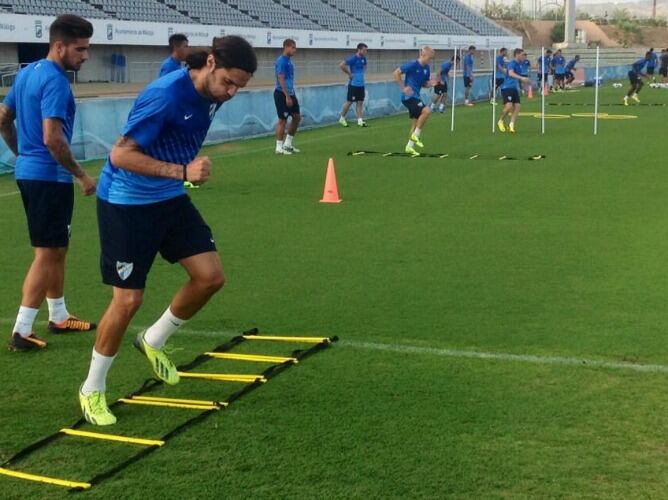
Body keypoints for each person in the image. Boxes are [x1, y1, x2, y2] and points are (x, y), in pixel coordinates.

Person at [78, 36, 257, 426]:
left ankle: (153, 340)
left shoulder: (212, 93)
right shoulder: (165, 96)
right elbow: (120, 154)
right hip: (126, 202)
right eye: (228, 82)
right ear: (210, 62)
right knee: (127, 301)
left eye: (239, 88)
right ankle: (92, 388)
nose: (231, 93)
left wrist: (179, 175)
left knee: (210, 277)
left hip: (168, 198)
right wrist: (182, 171)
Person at [0, 15, 97, 352]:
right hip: (48, 177)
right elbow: (52, 139)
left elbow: (2, 118)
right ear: (59, 46)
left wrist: (21, 152)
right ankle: (21, 329)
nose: (85, 56)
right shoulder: (55, 80)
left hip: (31, 172)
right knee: (46, 253)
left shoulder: (26, 73)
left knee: (57, 248)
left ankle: (59, 315)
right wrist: (81, 175)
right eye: (80, 49)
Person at [393, 46, 435, 157]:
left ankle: (409, 147)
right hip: (409, 97)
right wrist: (403, 88)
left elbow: (424, 84)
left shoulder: (427, 68)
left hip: (416, 96)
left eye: (431, 58)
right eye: (429, 58)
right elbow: (396, 73)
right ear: (423, 54)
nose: (429, 60)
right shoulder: (412, 64)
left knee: (416, 122)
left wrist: (430, 84)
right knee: (427, 111)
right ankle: (416, 135)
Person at [274, 39, 301, 155]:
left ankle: (288, 144)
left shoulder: (289, 61)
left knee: (297, 117)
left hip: (291, 93)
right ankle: (279, 147)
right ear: (286, 47)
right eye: (293, 48)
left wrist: (291, 94)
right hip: (281, 94)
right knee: (282, 120)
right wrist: (287, 96)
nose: (294, 50)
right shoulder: (281, 61)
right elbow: (281, 78)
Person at [497, 48, 530, 134]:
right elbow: (511, 73)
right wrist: (522, 78)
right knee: (508, 107)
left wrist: (525, 82)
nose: (524, 57)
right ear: (517, 54)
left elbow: (517, 76)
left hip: (514, 88)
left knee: (518, 106)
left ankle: (511, 125)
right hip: (507, 88)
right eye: (522, 54)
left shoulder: (519, 65)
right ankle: (500, 121)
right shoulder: (512, 63)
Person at [338, 43, 368, 127]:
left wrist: (361, 75)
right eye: (364, 50)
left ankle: (360, 120)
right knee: (350, 101)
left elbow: (365, 66)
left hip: (361, 84)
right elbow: (341, 65)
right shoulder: (353, 58)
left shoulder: (364, 59)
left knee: (360, 102)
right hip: (353, 84)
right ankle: (342, 118)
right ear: (359, 50)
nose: (365, 52)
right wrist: (349, 74)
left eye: (366, 50)